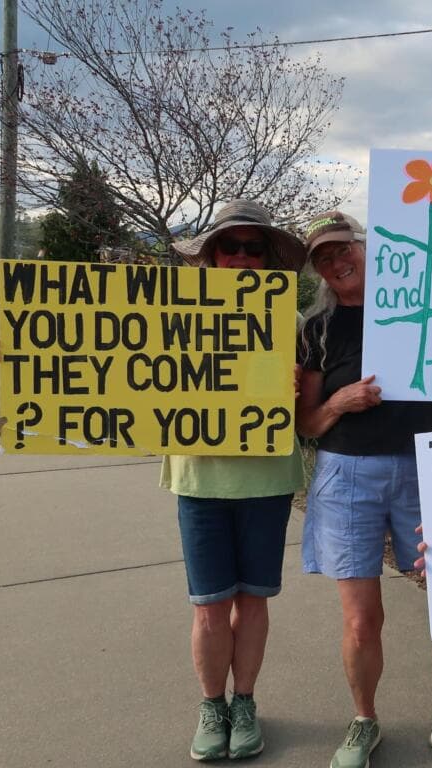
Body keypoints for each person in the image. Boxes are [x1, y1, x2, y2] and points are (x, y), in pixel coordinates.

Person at [296, 211, 432, 768]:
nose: (337, 261)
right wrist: (340, 402)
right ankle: (364, 720)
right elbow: (307, 423)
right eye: (324, 257)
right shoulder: (317, 328)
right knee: (362, 620)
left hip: (427, 468)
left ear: (369, 248)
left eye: (345, 249)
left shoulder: (427, 304)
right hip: (346, 477)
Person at [165, 199, 308, 761]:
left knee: (252, 602)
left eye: (255, 248)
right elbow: (119, 369)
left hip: (268, 480)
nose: (243, 257)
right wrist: (33, 355)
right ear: (210, 255)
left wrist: (300, 389)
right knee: (206, 605)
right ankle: (211, 704)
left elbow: (312, 412)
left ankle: (243, 701)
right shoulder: (174, 314)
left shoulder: (291, 324)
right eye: (232, 246)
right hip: (199, 478)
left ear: (268, 258)